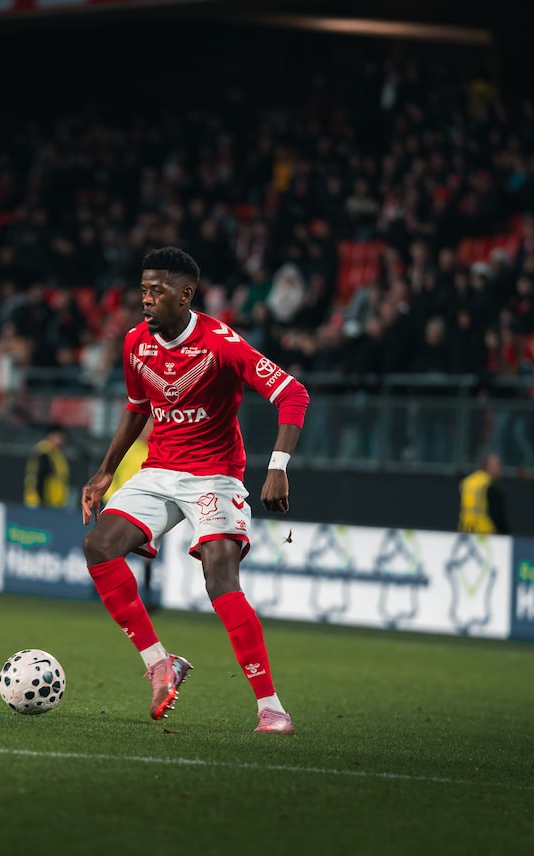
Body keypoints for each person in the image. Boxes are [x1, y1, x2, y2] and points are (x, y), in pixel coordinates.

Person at [81, 247, 309, 735]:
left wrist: (278, 467)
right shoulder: (135, 343)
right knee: (99, 546)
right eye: (143, 290)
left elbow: (293, 394)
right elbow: (137, 407)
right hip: (160, 470)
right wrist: (105, 472)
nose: (146, 299)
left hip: (215, 474)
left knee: (219, 576)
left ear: (185, 295)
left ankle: (270, 707)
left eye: (157, 290)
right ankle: (159, 664)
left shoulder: (222, 344)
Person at [104, 418, 158, 608]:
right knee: (113, 550)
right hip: (123, 507)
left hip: (149, 509)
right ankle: (105, 592)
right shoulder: (128, 448)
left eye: (153, 427)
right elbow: (111, 475)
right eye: (147, 427)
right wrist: (112, 500)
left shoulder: (158, 451)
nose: (149, 431)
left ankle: (146, 597)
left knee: (148, 555)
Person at [457, 452, 510, 534]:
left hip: (466, 532)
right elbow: (497, 516)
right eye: (498, 466)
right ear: (488, 467)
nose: (500, 470)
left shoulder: (468, 482)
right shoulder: (490, 485)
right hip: (486, 534)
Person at [24, 424, 69, 508]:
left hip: (53, 504)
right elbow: (38, 478)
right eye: (61, 437)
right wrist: (40, 502)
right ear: (51, 435)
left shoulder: (55, 454)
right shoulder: (44, 453)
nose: (63, 441)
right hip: (42, 503)